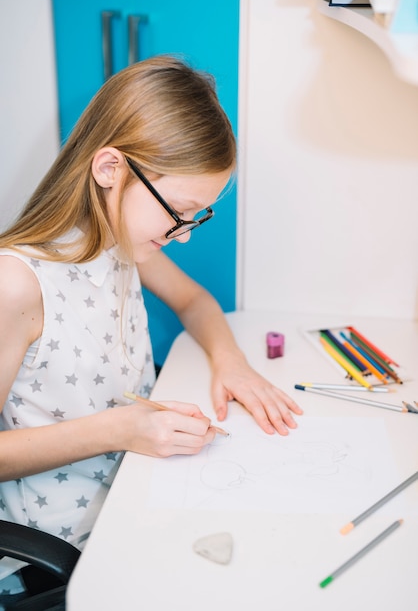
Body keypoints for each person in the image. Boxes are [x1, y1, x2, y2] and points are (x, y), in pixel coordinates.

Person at [0, 55, 302, 601]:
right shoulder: (16, 284)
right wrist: (121, 429)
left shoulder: (120, 242)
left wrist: (232, 363)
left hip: (138, 491)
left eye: (198, 217)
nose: (184, 236)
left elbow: (194, 301)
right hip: (67, 549)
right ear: (110, 169)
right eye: (179, 213)